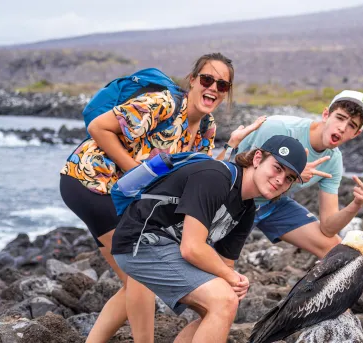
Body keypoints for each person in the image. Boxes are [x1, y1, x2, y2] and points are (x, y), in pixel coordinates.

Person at [59, 52, 265, 343]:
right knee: (138, 273)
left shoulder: (207, 128)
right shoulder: (164, 104)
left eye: (223, 85)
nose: (214, 88)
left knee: (130, 277)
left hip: (122, 195)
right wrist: (138, 173)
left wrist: (231, 146)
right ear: (192, 80)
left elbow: (203, 172)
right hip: (90, 180)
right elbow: (98, 128)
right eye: (207, 79)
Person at [112, 135, 307, 343]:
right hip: (140, 242)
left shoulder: (246, 209)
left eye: (289, 178)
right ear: (257, 159)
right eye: (277, 168)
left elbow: (225, 267)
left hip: (168, 247)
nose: (280, 180)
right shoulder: (216, 177)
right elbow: (192, 248)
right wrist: (230, 279)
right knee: (223, 301)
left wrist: (234, 282)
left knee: (223, 302)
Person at [237, 90, 363, 259]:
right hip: (236, 198)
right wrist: (293, 171)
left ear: (356, 134)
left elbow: (328, 227)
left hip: (272, 204)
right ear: (326, 114)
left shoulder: (333, 161)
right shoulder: (278, 128)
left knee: (338, 253)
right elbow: (232, 168)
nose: (342, 128)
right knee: (209, 264)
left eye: (352, 126)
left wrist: (356, 204)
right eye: (340, 118)